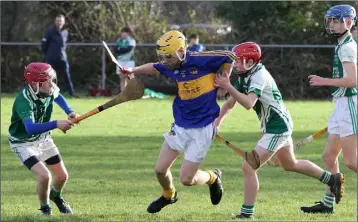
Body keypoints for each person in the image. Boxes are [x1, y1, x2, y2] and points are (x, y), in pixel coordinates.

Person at [214, 42, 344, 219]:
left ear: (250, 62)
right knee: (290, 164)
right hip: (278, 125)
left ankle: (246, 213)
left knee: (249, 167)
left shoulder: (258, 75)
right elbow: (230, 103)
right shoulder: (245, 75)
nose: (235, 64)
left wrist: (228, 86)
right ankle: (331, 179)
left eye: (238, 60)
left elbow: (249, 103)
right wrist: (218, 122)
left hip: (278, 128)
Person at [122, 30, 236, 214]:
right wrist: (133, 70)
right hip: (181, 125)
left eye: (168, 56)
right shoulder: (171, 64)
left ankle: (213, 177)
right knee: (160, 170)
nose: (166, 61)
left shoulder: (202, 59)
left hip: (203, 128)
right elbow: (154, 67)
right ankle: (169, 195)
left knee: (187, 179)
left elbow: (230, 55)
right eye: (163, 57)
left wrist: (225, 78)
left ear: (182, 51)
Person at [300, 4, 357, 214]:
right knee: (329, 156)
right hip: (340, 106)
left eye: (336, 20)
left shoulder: (347, 47)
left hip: (349, 105)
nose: (331, 24)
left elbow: (353, 80)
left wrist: (324, 80)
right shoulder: (342, 45)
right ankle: (327, 204)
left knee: (352, 162)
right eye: (331, 20)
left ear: (348, 23)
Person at [8, 62, 79, 215]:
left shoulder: (47, 90)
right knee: (44, 175)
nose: (52, 84)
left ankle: (56, 196)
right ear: (35, 84)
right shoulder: (24, 100)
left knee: (62, 176)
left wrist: (69, 111)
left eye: (52, 80)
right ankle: (45, 209)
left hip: (43, 139)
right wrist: (56, 124)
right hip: (22, 143)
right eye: (48, 81)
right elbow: (30, 128)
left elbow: (57, 96)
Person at [41, 14, 76, 97]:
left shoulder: (65, 32)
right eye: (57, 20)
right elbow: (44, 44)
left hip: (62, 57)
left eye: (60, 21)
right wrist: (48, 54)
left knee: (67, 75)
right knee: (49, 77)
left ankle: (72, 94)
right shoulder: (50, 31)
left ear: (63, 22)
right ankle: (48, 93)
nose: (59, 22)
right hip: (51, 58)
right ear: (55, 22)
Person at [115, 27, 136, 92]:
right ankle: (123, 93)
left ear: (128, 34)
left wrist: (121, 49)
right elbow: (116, 50)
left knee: (129, 76)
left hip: (129, 61)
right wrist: (121, 50)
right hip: (120, 61)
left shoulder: (132, 41)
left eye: (124, 33)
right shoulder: (119, 41)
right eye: (122, 33)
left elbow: (128, 49)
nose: (122, 34)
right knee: (122, 77)